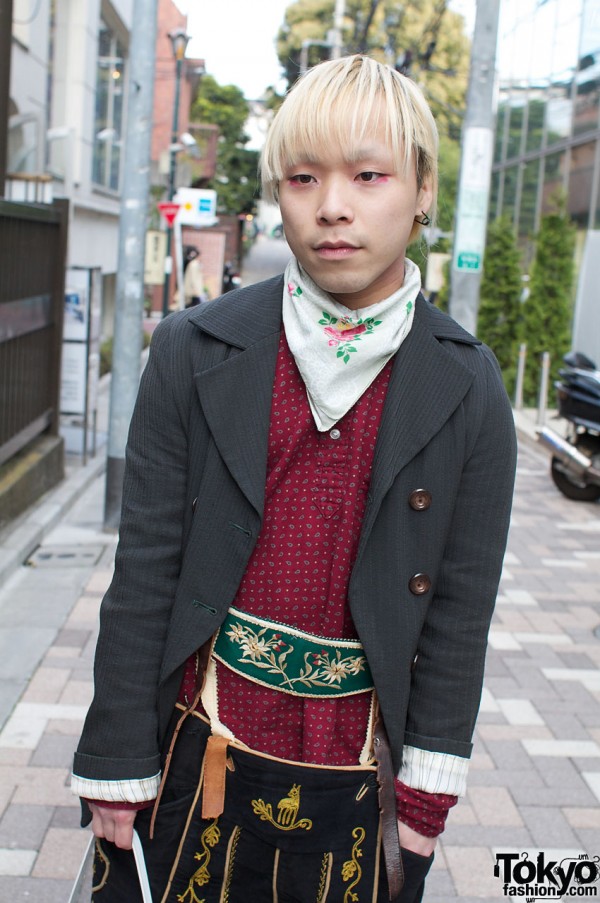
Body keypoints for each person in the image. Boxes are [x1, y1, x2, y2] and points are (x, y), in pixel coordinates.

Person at [72, 55, 516, 902]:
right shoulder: (195, 350)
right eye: (304, 177)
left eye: (369, 174)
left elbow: (460, 613)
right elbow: (145, 569)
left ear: (423, 189)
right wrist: (116, 763)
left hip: (359, 766)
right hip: (193, 745)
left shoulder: (468, 388)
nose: (333, 205)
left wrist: (424, 801)